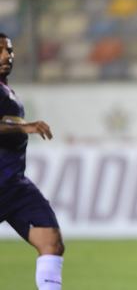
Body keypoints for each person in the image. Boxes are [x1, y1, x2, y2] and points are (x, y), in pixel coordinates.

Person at [0, 33, 64, 290]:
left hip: (14, 186)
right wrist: (24, 127)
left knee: (51, 242)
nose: (7, 56)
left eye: (9, 50)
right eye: (0, 51)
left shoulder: (6, 91)